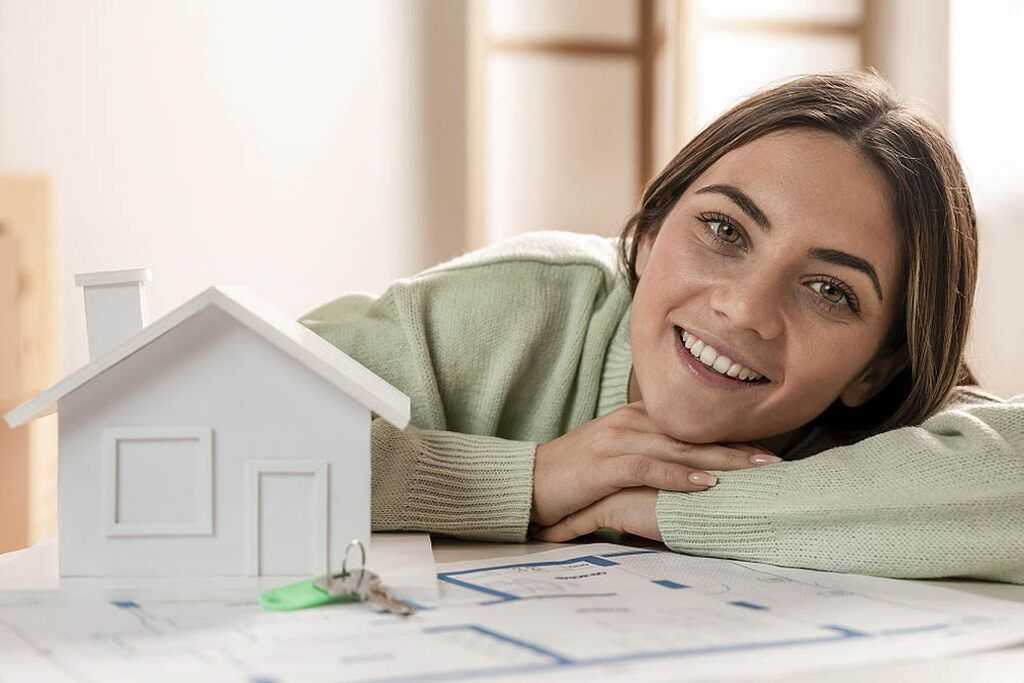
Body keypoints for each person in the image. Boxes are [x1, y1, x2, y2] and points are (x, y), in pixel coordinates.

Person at [299, 71, 1024, 583]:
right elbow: (216, 415)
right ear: (648, 234)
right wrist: (531, 479)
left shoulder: (893, 422)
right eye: (724, 228)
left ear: (877, 367)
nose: (743, 308)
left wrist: (680, 506)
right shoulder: (520, 305)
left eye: (830, 290)